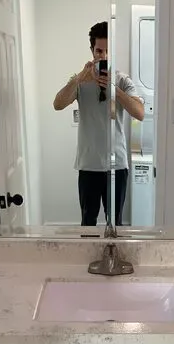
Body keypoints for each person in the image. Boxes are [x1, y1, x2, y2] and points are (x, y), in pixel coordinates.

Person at [53, 21, 145, 226]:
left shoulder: (122, 80)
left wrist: (114, 90)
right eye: (99, 51)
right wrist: (78, 78)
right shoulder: (80, 80)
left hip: (117, 164)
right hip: (88, 165)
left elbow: (139, 113)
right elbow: (58, 104)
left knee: (115, 224)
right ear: (92, 50)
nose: (103, 56)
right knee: (88, 222)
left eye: (107, 51)